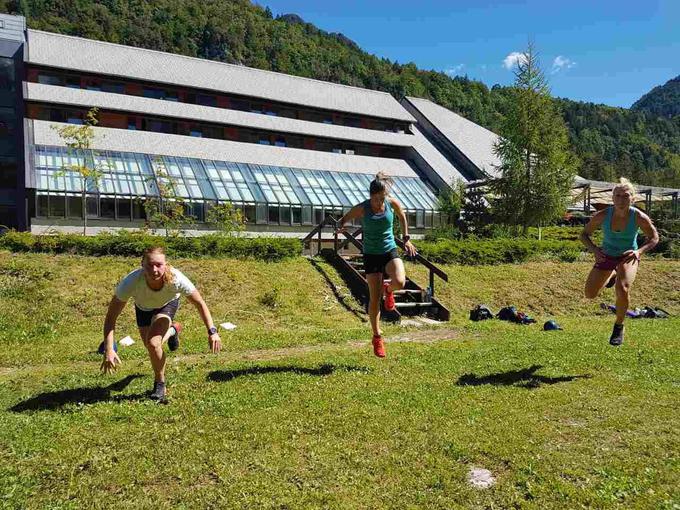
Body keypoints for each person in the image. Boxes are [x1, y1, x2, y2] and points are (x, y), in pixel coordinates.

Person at [100, 246, 222, 400]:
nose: (155, 270)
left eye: (159, 264)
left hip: (167, 305)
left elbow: (200, 303)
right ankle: (173, 331)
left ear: (166, 264)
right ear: (142, 264)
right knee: (151, 347)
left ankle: (160, 385)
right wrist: (109, 349)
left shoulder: (177, 279)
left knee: (153, 344)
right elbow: (111, 317)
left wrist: (212, 331)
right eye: (150, 265)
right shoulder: (131, 282)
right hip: (143, 309)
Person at [336, 172, 417, 358]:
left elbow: (402, 216)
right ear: (372, 195)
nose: (382, 200)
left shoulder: (391, 203)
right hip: (371, 255)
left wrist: (406, 239)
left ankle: (389, 290)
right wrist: (340, 226)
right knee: (374, 299)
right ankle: (377, 337)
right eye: (379, 197)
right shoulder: (362, 208)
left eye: (384, 196)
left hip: (389, 249)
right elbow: (344, 219)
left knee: (400, 281)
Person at [580, 178, 659, 346]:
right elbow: (583, 235)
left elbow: (654, 237)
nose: (621, 200)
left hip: (627, 256)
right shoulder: (602, 215)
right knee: (590, 294)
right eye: (617, 196)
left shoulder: (638, 216)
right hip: (606, 255)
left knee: (622, 288)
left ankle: (619, 326)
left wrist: (639, 252)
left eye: (626, 196)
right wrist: (595, 250)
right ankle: (613, 273)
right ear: (612, 198)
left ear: (633, 198)